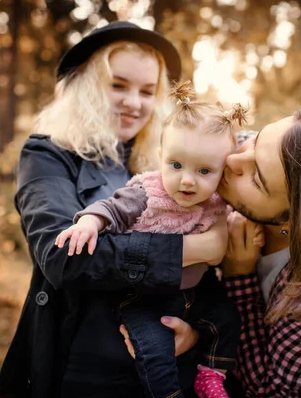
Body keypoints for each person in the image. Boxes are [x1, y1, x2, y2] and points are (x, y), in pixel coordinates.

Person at [0, 22, 229, 398]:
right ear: (87, 87)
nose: (134, 103)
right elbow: (61, 257)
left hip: (159, 362)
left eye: (147, 91)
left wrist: (195, 331)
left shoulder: (169, 163)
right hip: (83, 364)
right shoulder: (48, 155)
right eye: (118, 85)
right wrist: (199, 249)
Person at [146, 106, 301, 397]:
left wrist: (238, 276)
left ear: (298, 220)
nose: (232, 160)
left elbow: (269, 388)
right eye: (256, 140)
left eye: (256, 180)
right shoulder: (254, 152)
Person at [55, 82, 251, 398]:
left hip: (197, 291)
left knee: (227, 318)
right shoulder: (147, 192)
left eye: (204, 170)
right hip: (146, 296)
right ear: (161, 158)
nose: (187, 179)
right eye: (176, 165)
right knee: (154, 351)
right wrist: (89, 222)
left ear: (222, 172)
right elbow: (111, 208)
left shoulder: (217, 198)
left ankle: (211, 373)